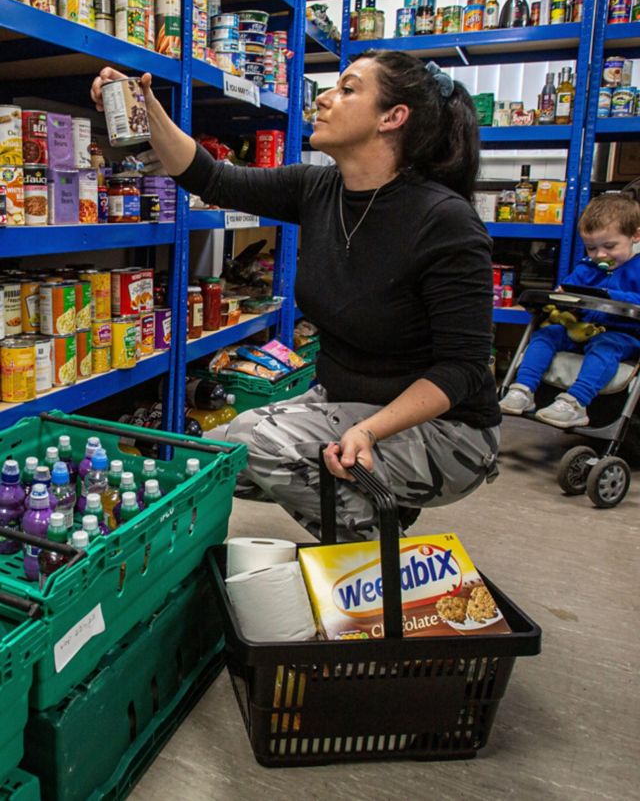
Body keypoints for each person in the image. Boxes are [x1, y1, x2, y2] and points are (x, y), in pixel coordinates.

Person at [91, 51, 501, 541]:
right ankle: (369, 513)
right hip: (348, 404)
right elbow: (210, 176)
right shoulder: (318, 188)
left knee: (258, 442)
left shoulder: (445, 221)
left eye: (348, 89)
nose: (325, 98)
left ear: (393, 118)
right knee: (207, 462)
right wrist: (146, 107)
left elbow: (464, 366)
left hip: (447, 433)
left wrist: (371, 432)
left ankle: (376, 562)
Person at [500, 194, 640, 428]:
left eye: (610, 246)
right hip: (580, 330)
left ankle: (575, 403)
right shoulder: (587, 267)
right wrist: (562, 296)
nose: (600, 255)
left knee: (605, 346)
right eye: (591, 248)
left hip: (621, 335)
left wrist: (611, 297)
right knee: (547, 334)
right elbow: (568, 291)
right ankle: (523, 390)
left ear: (635, 236)